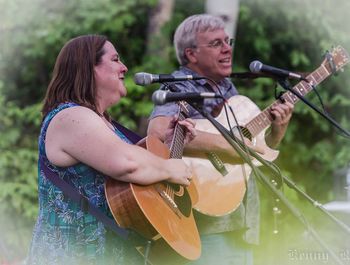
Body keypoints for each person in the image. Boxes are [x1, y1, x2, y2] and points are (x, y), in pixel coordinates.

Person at [26, 34, 197, 265]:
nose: (124, 67)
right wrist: (170, 168)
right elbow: (127, 164)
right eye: (115, 59)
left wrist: (170, 146)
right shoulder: (70, 116)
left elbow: (134, 178)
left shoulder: (103, 123)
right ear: (89, 68)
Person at [147, 14, 294, 264]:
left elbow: (251, 154)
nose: (227, 49)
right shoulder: (178, 87)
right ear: (191, 54)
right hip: (205, 226)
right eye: (216, 44)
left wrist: (276, 132)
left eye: (228, 41)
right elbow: (160, 133)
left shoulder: (227, 89)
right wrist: (229, 147)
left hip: (240, 222)